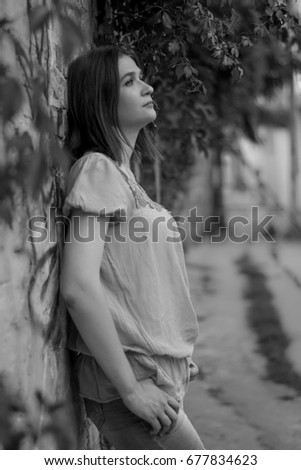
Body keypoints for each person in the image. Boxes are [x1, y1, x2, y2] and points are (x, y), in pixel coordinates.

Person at [60, 45, 205, 450]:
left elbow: (133, 282)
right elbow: (78, 286)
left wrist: (172, 351)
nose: (147, 85)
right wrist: (131, 390)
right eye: (129, 81)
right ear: (101, 100)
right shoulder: (99, 169)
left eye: (141, 76)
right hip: (131, 388)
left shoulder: (125, 176)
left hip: (154, 377)